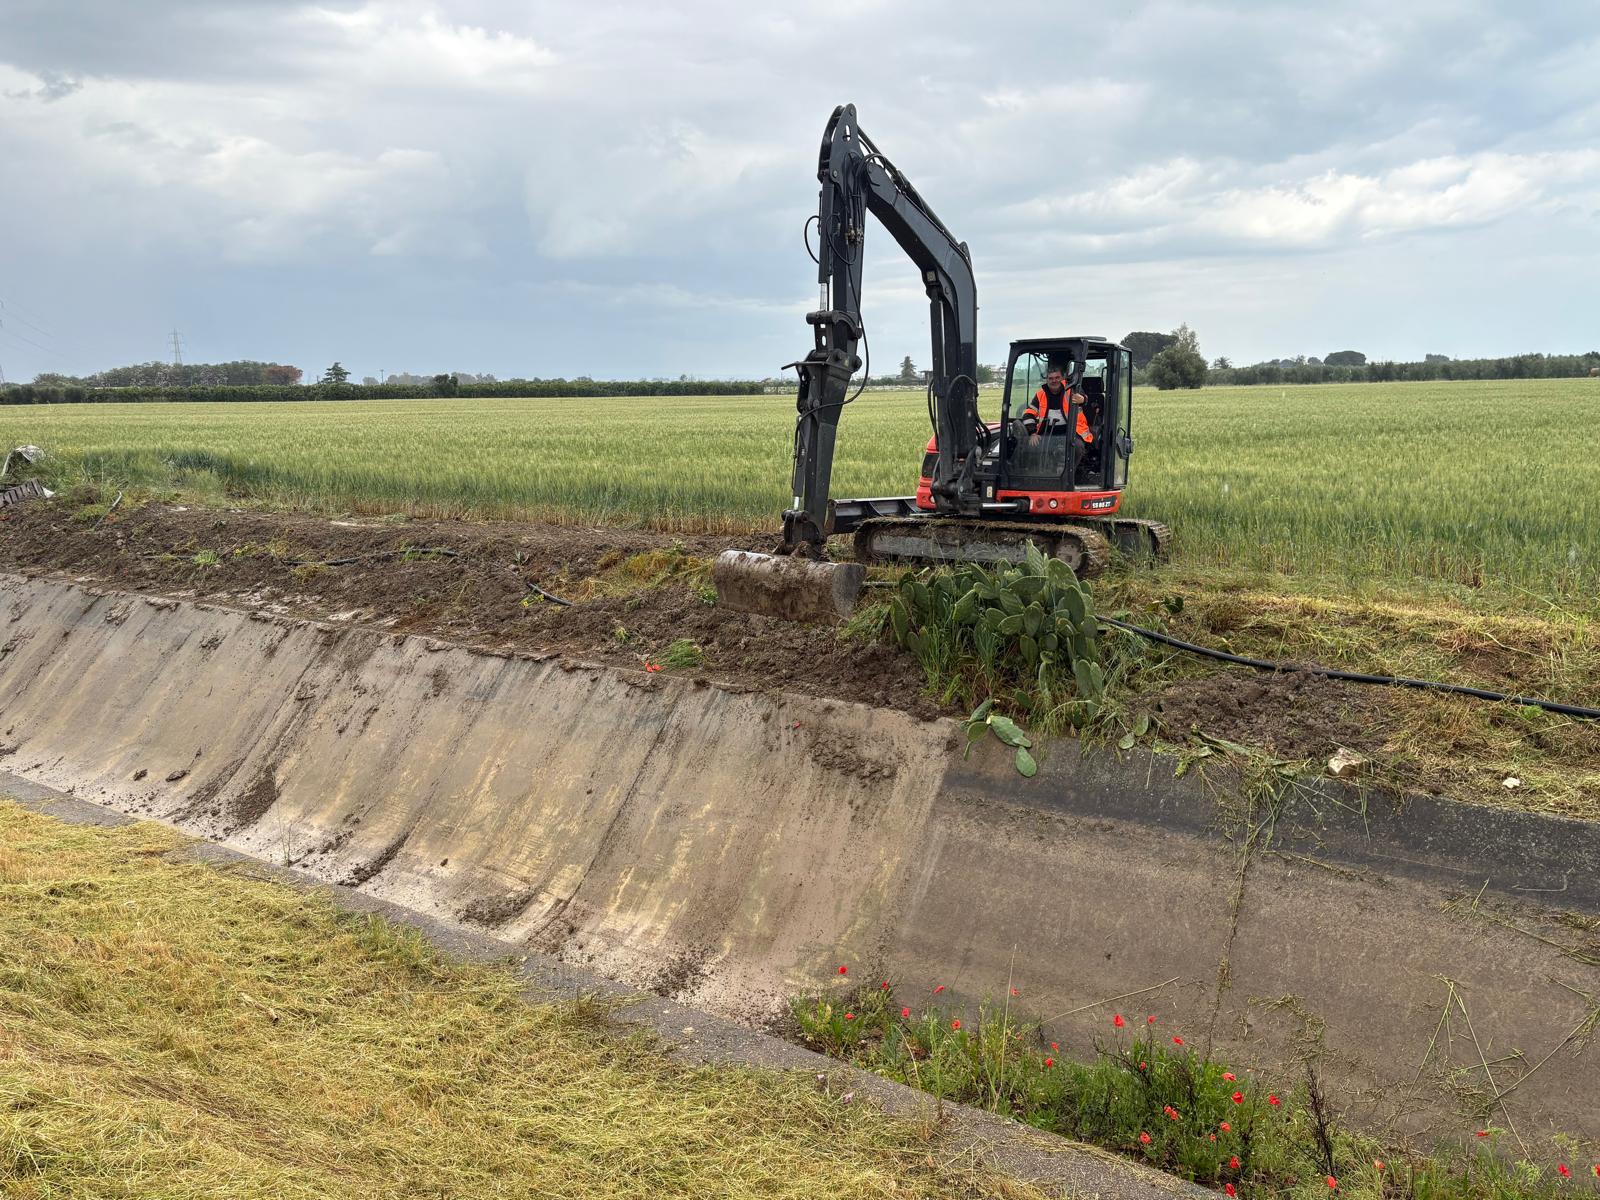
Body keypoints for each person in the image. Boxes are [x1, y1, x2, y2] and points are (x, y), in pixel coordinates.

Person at [1024, 366, 1094, 448]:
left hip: (1072, 432)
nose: (1054, 381)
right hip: (1047, 432)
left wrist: (1083, 399)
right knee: (1033, 447)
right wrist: (1032, 433)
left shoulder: (1071, 390)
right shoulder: (1040, 394)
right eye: (1050, 378)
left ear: (1062, 378)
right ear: (1047, 380)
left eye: (1057, 377)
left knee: (1076, 447)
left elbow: (1082, 398)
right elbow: (1028, 414)